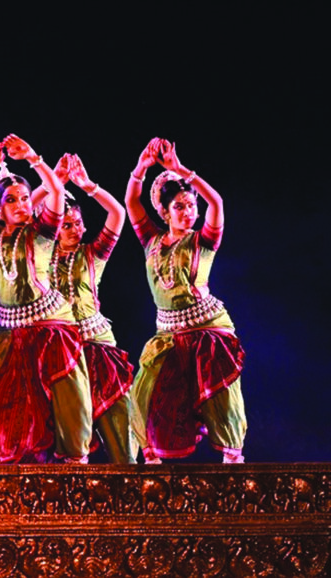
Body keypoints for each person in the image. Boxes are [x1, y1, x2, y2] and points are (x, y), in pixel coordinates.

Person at [0, 135, 93, 464]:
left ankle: (74, 456)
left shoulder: (43, 230)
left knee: (65, 393)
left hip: (49, 325)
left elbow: (57, 194)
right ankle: (1, 451)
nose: (21, 205)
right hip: (6, 329)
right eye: (12, 200)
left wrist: (33, 158)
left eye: (24, 198)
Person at [125, 137, 246, 463]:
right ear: (164, 211)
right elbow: (131, 202)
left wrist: (182, 171)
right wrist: (141, 168)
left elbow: (217, 204)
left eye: (191, 205)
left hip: (207, 327)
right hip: (168, 332)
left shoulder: (203, 240)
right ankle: (152, 460)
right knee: (149, 390)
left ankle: (233, 457)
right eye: (179, 206)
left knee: (218, 391)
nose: (188, 212)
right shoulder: (151, 239)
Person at [49, 153, 136, 463]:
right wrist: (53, 183)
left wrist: (87, 186)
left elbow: (117, 213)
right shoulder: (38, 255)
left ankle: (129, 486)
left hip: (98, 344)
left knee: (118, 418)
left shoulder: (93, 254)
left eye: (79, 223)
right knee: (70, 430)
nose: (76, 229)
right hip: (61, 350)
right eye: (67, 224)